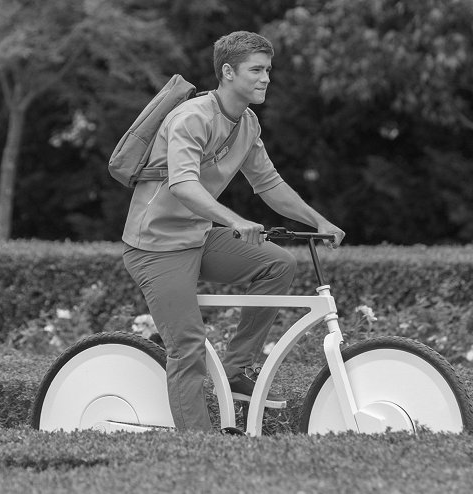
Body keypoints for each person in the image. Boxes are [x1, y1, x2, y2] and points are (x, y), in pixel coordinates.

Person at [122, 31, 344, 432]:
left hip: (199, 237)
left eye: (268, 70)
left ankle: (237, 368)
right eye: (256, 70)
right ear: (227, 72)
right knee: (187, 346)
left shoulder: (247, 123)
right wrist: (235, 221)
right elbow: (182, 184)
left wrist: (318, 221)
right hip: (156, 247)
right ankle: (201, 446)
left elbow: (269, 184)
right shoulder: (193, 117)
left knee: (277, 265)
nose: (266, 79)